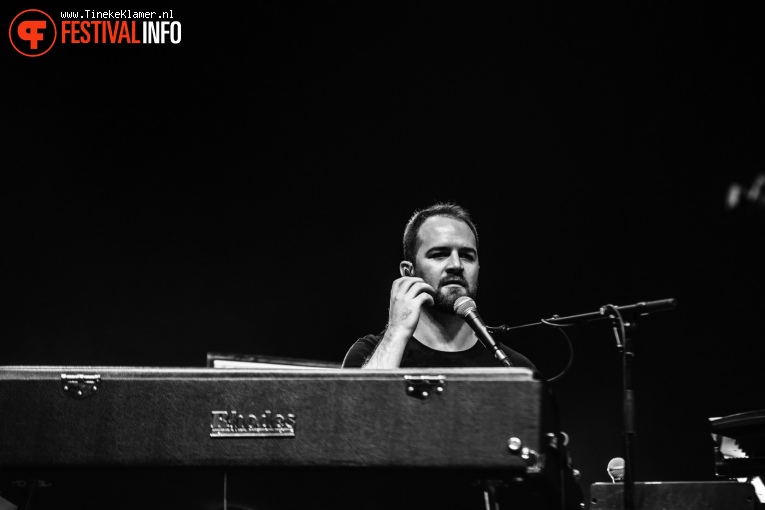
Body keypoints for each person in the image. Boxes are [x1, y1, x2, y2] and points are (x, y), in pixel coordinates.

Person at [342, 202, 536, 370]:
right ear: (409, 272)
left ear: (478, 268)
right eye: (439, 254)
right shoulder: (367, 354)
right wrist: (396, 332)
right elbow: (361, 412)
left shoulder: (515, 367)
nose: (456, 265)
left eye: (467, 256)